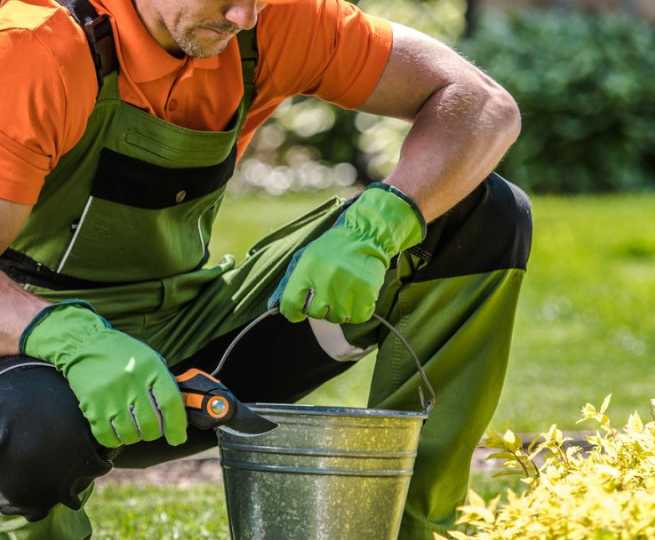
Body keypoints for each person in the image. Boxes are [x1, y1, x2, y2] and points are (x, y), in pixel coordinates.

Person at [0, 0, 532, 536]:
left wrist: (381, 223)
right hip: (29, 357)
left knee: (481, 214)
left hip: (183, 346)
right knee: (31, 423)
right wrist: (67, 336)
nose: (244, 18)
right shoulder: (32, 49)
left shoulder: (270, 20)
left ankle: (415, 528)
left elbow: (483, 104)